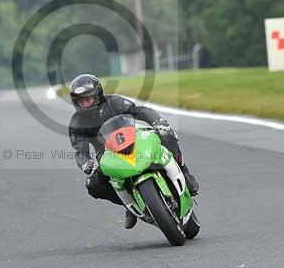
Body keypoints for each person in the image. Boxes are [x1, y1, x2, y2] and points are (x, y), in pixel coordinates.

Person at [67, 73, 199, 229]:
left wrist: (157, 121)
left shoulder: (114, 102)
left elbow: (140, 110)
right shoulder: (76, 123)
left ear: (97, 96)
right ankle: (127, 203)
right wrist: (86, 164)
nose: (85, 104)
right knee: (93, 186)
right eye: (81, 101)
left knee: (166, 134)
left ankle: (184, 172)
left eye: (88, 99)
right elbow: (80, 151)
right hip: (108, 154)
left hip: (134, 139)